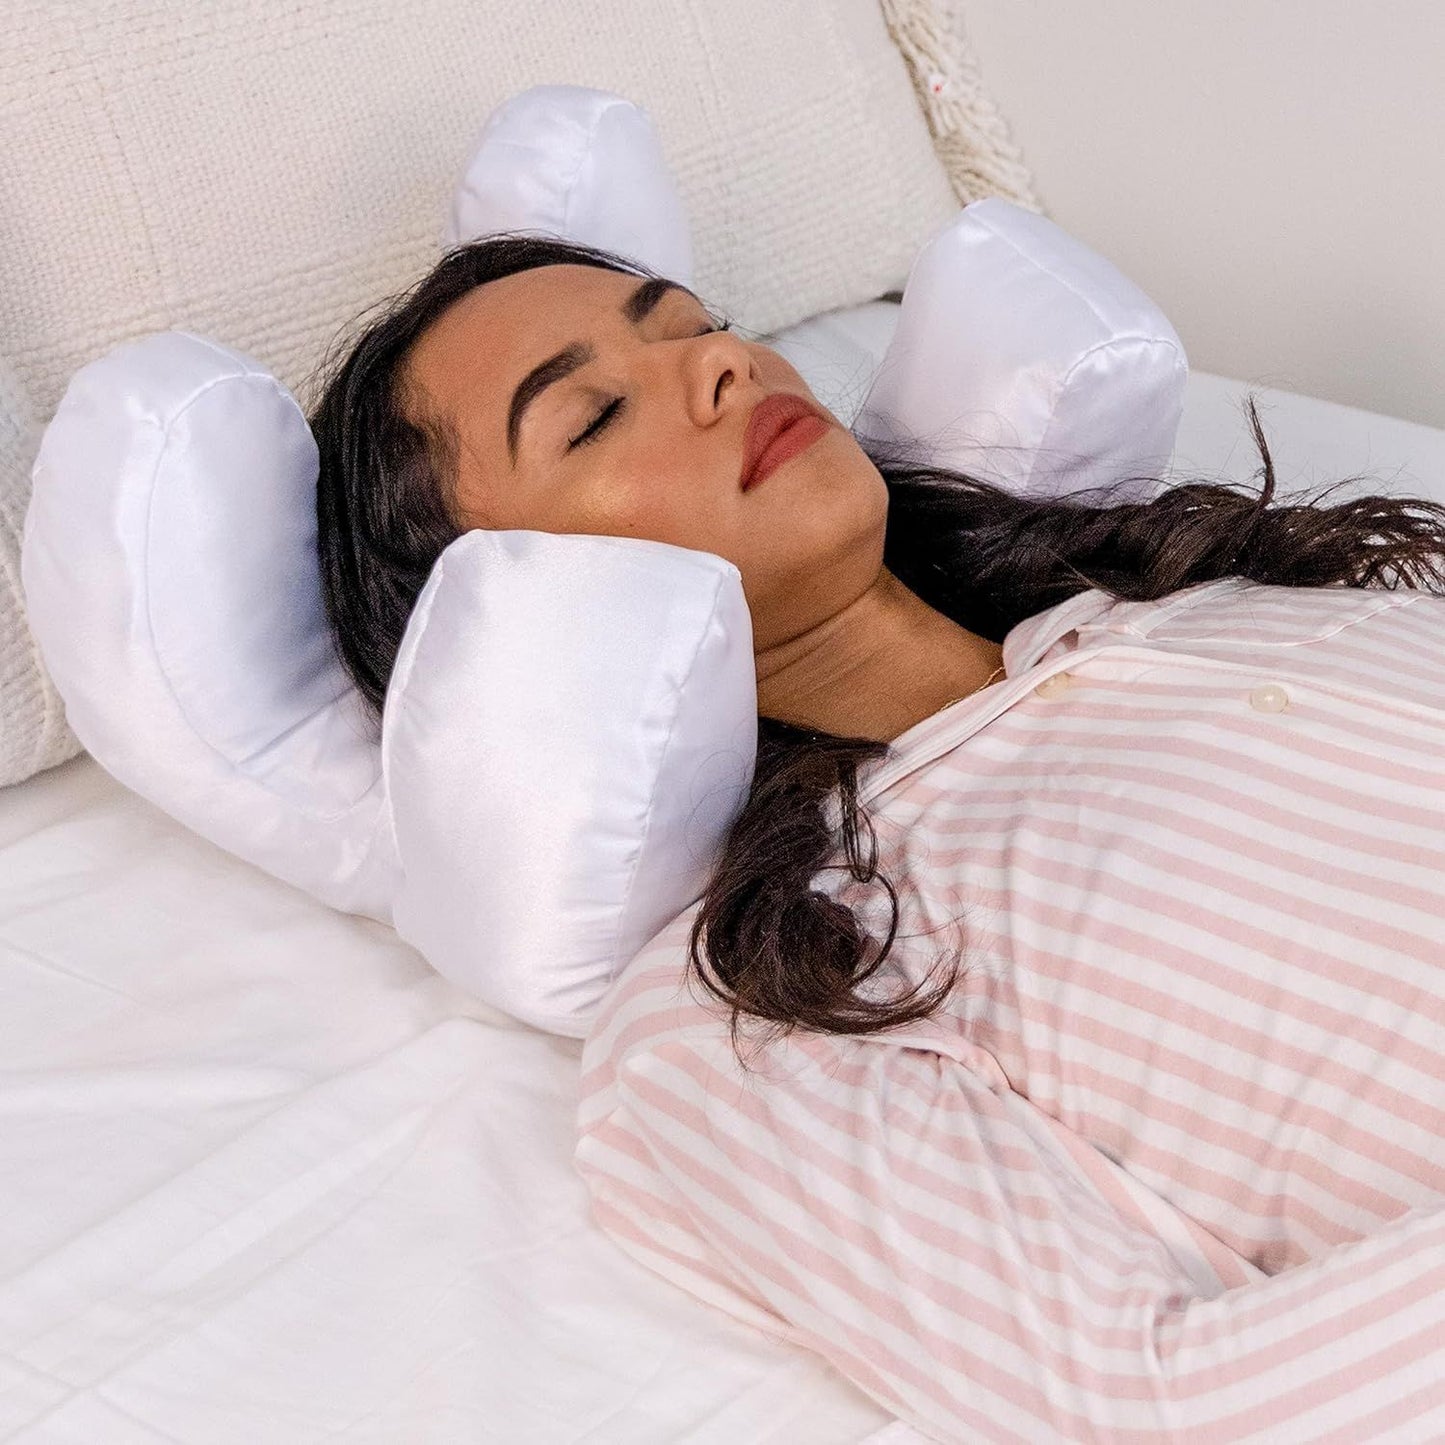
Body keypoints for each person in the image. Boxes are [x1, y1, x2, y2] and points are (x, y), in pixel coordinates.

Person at [307, 232, 1445, 1440]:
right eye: (590, 416)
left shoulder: (1226, 602)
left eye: (697, 323)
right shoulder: (754, 999)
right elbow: (1149, 1399)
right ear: (495, 614)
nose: (724, 369)